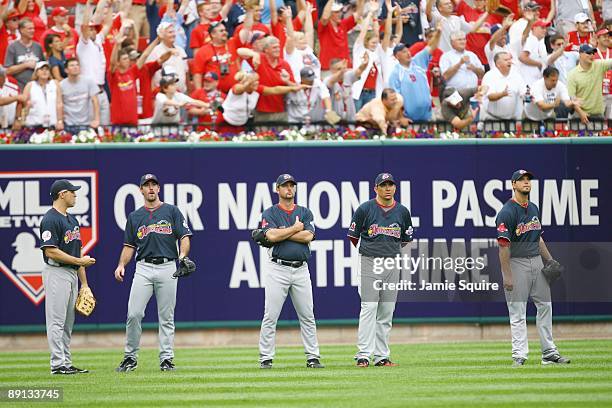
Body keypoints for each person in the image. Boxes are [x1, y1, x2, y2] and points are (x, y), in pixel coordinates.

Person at [114, 174, 193, 373]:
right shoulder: (135, 216)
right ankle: (130, 357)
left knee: (166, 316)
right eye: (146, 185)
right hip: (143, 268)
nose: (150, 188)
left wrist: (182, 257)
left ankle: (166, 359)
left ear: (158, 188)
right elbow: (129, 246)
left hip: (168, 267)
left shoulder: (172, 211)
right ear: (141, 190)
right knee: (134, 314)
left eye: (153, 185)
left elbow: (184, 237)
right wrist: (121, 264)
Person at [495, 169, 570, 367]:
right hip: (517, 263)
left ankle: (549, 353)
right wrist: (507, 275)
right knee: (518, 311)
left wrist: (550, 260)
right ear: (513, 185)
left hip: (537, 261)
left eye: (528, 179)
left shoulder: (534, 208)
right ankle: (519, 355)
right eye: (521, 180)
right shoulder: (507, 212)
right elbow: (503, 246)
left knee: (545, 306)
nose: (526, 183)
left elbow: (537, 238)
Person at [258, 173, 323, 370]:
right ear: (277, 189)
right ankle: (266, 358)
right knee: (271, 315)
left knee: (307, 315)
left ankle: (313, 357)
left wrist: (283, 232)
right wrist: (294, 228)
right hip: (277, 268)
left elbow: (308, 236)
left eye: (291, 185)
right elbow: (270, 235)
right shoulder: (270, 213)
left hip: (301, 269)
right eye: (284, 186)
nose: (289, 189)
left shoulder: (304, 212)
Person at [347, 172, 413, 367]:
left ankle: (381, 356)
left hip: (392, 263)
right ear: (376, 188)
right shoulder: (365, 209)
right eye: (383, 185)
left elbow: (406, 239)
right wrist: (372, 251)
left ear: (395, 187)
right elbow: (353, 236)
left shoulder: (402, 211)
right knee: (369, 307)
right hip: (369, 261)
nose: (387, 188)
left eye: (390, 184)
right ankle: (363, 355)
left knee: (386, 310)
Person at [39, 179, 96, 374]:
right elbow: (50, 251)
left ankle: (66, 362)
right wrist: (79, 262)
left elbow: (78, 253)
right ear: (62, 194)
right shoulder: (50, 219)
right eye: (72, 192)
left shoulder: (72, 220)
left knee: (67, 322)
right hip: (56, 272)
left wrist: (85, 284)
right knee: (56, 321)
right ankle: (57, 364)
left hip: (71, 273)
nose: (75, 195)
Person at [388, 27, 441, 122]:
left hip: (427, 116)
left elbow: (431, 46)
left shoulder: (418, 61)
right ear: (397, 56)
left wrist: (439, 32)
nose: (408, 53)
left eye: (408, 51)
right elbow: (395, 99)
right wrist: (401, 118)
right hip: (409, 119)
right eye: (404, 52)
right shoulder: (395, 74)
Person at [221, 71, 305, 127]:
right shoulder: (237, 88)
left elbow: (275, 90)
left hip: (242, 123)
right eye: (254, 81)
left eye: (257, 81)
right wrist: (249, 81)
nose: (257, 83)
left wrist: (293, 89)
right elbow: (241, 88)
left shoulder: (257, 89)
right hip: (226, 121)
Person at [567, 43, 612, 123]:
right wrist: (581, 113)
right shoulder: (572, 74)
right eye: (588, 53)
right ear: (580, 54)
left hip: (597, 115)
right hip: (578, 116)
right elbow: (572, 99)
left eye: (593, 53)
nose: (592, 55)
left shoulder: (599, 65)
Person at [425, 0, 490, 53]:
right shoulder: (437, 19)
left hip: (457, 56)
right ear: (440, 8)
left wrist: (487, 12)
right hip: (442, 55)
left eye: (450, 3)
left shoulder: (456, 19)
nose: (450, 5)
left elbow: (473, 29)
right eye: (446, 4)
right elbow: (428, 12)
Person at [317, 1, 363, 74]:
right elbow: (325, 17)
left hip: (345, 68)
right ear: (330, 14)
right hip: (328, 69)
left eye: (340, 11)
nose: (339, 14)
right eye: (336, 12)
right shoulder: (323, 26)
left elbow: (358, 14)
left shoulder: (343, 24)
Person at [192, 22, 239, 92]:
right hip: (214, 93)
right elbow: (197, 74)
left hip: (234, 92)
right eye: (221, 31)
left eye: (225, 30)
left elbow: (246, 32)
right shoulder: (203, 51)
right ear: (213, 34)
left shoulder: (232, 44)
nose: (225, 33)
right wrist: (199, 93)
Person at [60, 58, 101, 133]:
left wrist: (96, 119)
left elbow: (95, 101)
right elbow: (60, 104)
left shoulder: (89, 81)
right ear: (66, 70)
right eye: (72, 65)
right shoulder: (61, 85)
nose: (75, 67)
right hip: (69, 124)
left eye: (77, 65)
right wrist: (60, 121)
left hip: (86, 123)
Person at [481, 51, 525, 120]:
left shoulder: (516, 75)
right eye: (506, 60)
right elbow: (490, 96)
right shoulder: (490, 76)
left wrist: (528, 95)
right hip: (492, 119)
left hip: (512, 119)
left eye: (509, 59)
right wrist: (502, 94)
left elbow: (524, 93)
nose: (509, 61)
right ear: (498, 64)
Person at [20, 61, 63, 129]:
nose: (44, 71)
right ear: (36, 72)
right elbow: (24, 105)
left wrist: (60, 121)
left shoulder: (55, 83)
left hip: (52, 124)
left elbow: (59, 103)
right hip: (34, 123)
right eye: (41, 69)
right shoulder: (30, 85)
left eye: (47, 69)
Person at [4, 18, 44, 90]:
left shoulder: (38, 47)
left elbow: (43, 67)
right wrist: (26, 65)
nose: (33, 31)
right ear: (21, 30)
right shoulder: (13, 47)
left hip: (37, 86)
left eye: (33, 28)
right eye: (29, 29)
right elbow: (8, 70)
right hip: (19, 86)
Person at [325, 57, 368, 123]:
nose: (343, 71)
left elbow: (359, 70)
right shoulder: (328, 80)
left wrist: (365, 64)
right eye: (338, 69)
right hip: (335, 121)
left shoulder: (347, 76)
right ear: (331, 70)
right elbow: (333, 79)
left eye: (343, 68)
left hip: (350, 120)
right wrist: (342, 71)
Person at [518, 19, 549, 85]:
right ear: (534, 28)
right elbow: (522, 57)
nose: (545, 30)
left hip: (535, 79)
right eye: (542, 28)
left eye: (545, 28)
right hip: (528, 79)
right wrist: (539, 64)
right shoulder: (531, 39)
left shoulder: (538, 42)